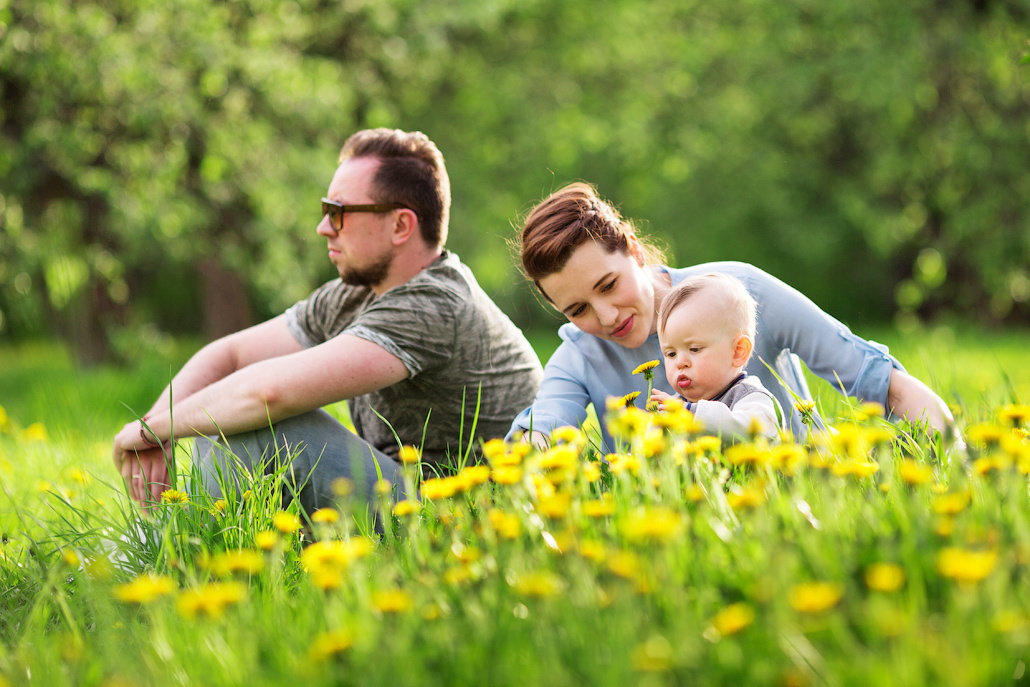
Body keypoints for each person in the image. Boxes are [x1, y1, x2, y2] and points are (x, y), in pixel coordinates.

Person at [113, 128, 543, 515]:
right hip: (410, 498)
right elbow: (231, 355)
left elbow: (269, 394)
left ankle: (173, 558)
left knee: (265, 426)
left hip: (467, 521)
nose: (323, 227)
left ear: (400, 225)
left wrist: (151, 431)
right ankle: (176, 551)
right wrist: (156, 429)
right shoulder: (355, 294)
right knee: (225, 414)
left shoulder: (435, 304)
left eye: (338, 211)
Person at [507, 181, 954, 452]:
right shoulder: (578, 356)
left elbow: (881, 381)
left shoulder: (742, 292)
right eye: (578, 309)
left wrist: (953, 459)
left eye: (608, 285)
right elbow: (543, 428)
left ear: (635, 252)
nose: (606, 317)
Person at [649, 273, 783, 443]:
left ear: (738, 351)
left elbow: (753, 433)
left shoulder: (752, 397)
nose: (680, 363)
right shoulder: (673, 406)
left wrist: (690, 412)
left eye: (694, 349)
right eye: (671, 354)